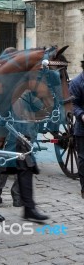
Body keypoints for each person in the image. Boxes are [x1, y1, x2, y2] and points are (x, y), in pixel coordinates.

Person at [0, 90, 49, 222]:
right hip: (0, 129)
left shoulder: (26, 87)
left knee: (26, 165)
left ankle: (29, 209)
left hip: (19, 131)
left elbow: (38, 106)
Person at [68, 59, 84, 198]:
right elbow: (73, 104)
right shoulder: (77, 82)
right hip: (83, 128)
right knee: (83, 158)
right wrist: (82, 115)